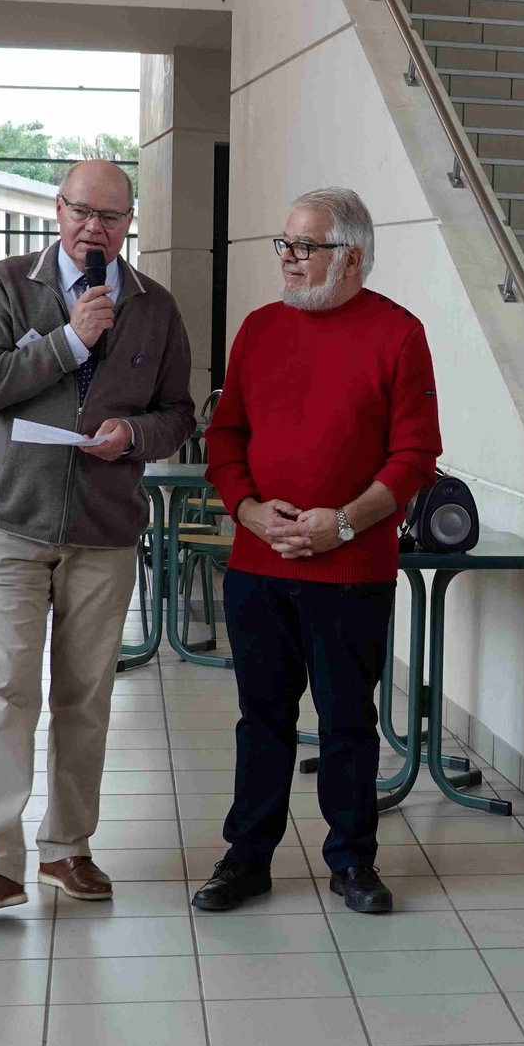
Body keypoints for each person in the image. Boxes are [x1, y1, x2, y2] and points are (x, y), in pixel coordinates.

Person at [0, 160, 196, 915]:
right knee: (7, 687)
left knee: (86, 695)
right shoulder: (7, 282)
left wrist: (132, 434)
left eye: (111, 216)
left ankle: (67, 849)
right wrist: (66, 340)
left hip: (105, 528)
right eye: (81, 210)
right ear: (58, 210)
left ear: (130, 224)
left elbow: (179, 412)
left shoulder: (155, 307)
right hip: (14, 522)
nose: (95, 227)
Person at [191, 188, 441, 917]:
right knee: (260, 718)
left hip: (350, 569)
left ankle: (352, 861)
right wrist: (249, 511)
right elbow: (225, 437)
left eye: (306, 247)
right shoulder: (260, 329)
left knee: (346, 719)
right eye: (286, 244)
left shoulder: (398, 333)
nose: (290, 260)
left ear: (352, 257)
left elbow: (415, 456)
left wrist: (346, 522)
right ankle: (248, 858)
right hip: (258, 563)